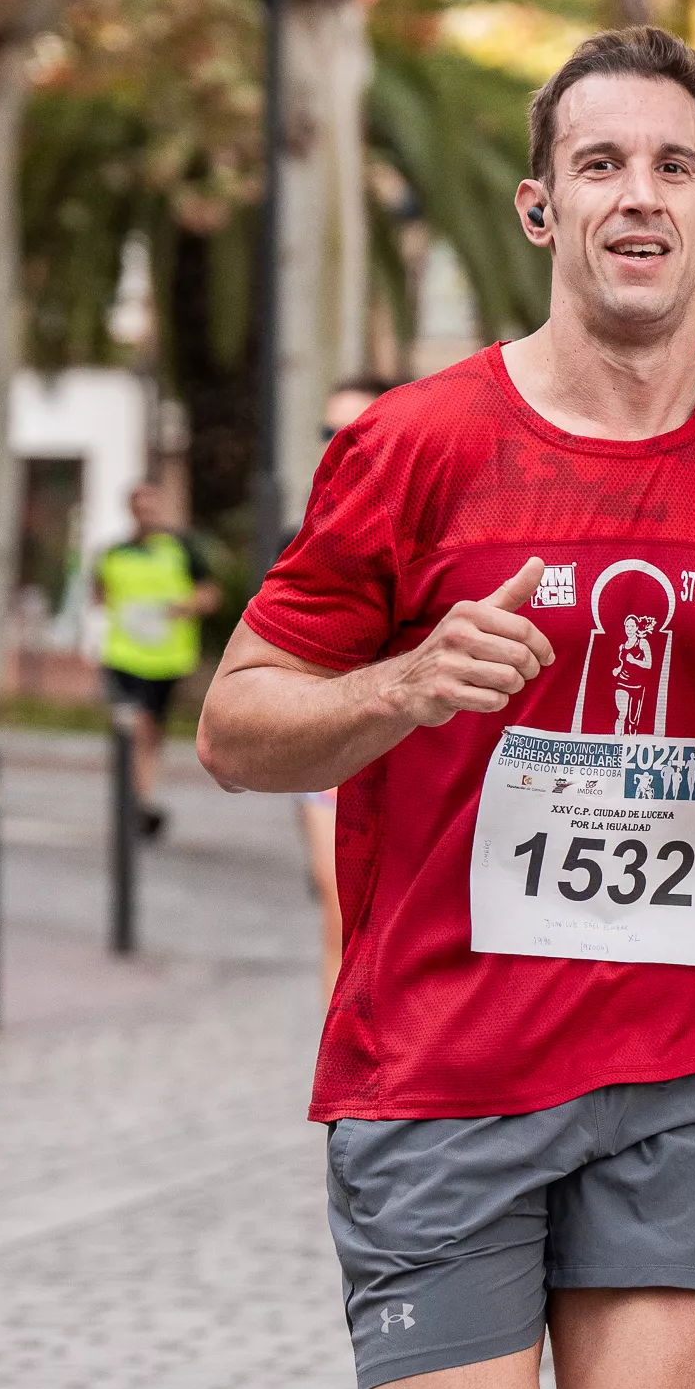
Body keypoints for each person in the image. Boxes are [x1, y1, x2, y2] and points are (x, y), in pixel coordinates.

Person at [194, 26, 695, 1389]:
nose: (641, 196)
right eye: (602, 163)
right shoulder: (416, 447)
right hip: (440, 1072)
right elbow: (235, 728)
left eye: (672, 166)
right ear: (540, 206)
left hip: (684, 1070)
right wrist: (405, 685)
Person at [300, 375, 399, 1002]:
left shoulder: (441, 526)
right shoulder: (306, 532)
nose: (340, 447)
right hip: (336, 752)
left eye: (356, 432)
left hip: (422, 755)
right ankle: (343, 1085)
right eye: (330, 434)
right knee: (341, 911)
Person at [95, 484, 221, 841]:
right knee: (136, 726)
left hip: (166, 660)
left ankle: (142, 796)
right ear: (130, 510)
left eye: (153, 507)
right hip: (123, 656)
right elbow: (99, 595)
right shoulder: (112, 553)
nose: (147, 515)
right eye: (140, 508)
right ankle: (137, 800)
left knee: (152, 733)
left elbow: (210, 596)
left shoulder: (182, 549)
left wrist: (181, 608)